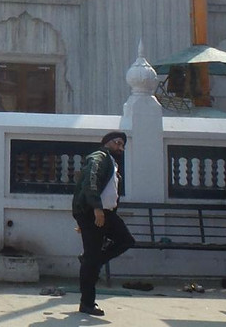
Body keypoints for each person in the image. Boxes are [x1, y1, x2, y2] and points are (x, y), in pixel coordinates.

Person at [71, 131, 135, 317]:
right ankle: (87, 303)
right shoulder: (99, 158)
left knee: (125, 241)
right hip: (94, 213)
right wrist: (96, 209)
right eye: (117, 143)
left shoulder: (112, 164)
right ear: (107, 143)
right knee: (92, 258)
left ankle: (92, 260)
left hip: (106, 214)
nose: (120, 148)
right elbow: (91, 182)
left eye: (122, 145)